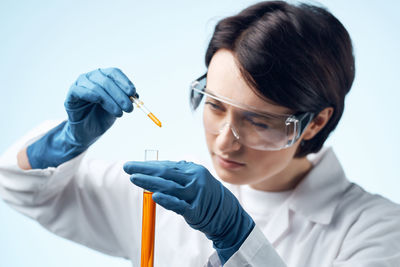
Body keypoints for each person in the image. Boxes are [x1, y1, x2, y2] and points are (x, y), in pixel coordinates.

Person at [1, 1, 399, 266]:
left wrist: (237, 238)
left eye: (257, 121)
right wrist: (64, 143)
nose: (225, 141)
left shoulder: (376, 230)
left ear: (315, 122)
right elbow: (20, 188)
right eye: (214, 106)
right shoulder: (164, 197)